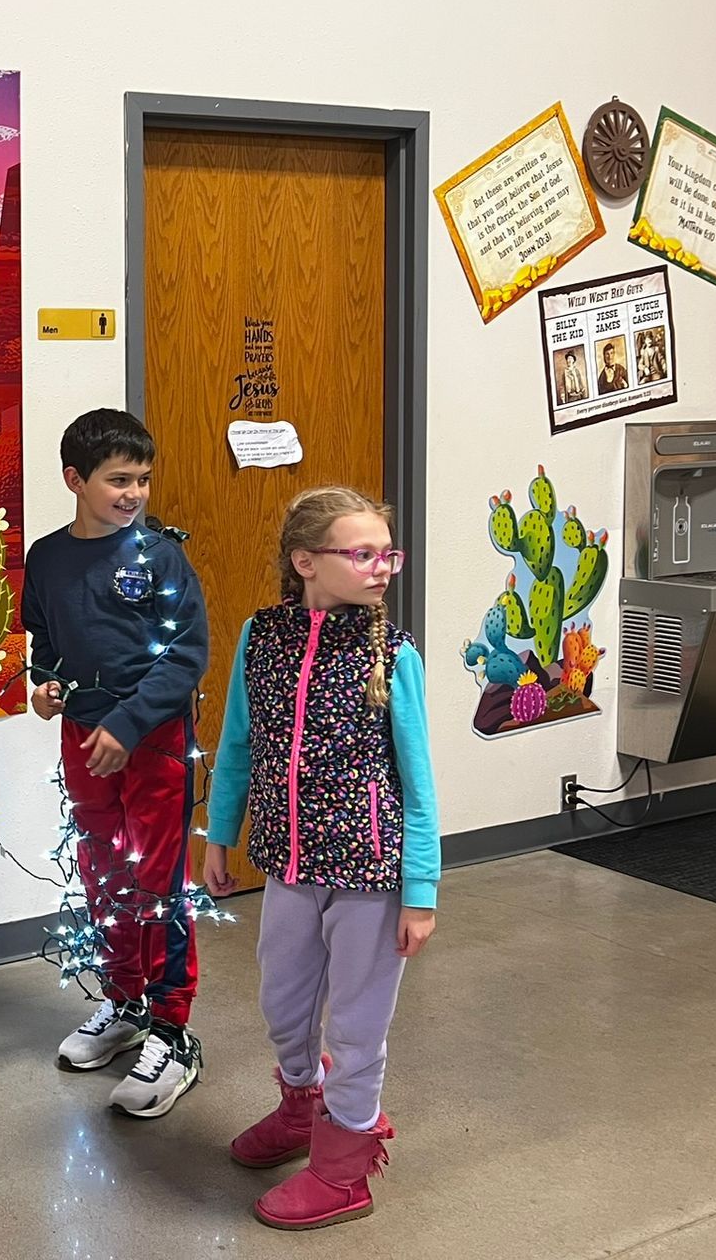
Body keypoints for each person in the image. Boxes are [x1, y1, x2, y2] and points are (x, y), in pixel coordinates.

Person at [203, 486, 440, 1231]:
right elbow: (239, 741)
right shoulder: (261, 637)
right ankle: (300, 1109)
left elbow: (419, 779)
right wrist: (220, 832)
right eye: (362, 554)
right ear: (306, 561)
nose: (381, 569)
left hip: (370, 872)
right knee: (283, 998)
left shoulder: (395, 655)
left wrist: (421, 889)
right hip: (287, 861)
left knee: (357, 1026)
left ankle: (343, 1171)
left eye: (385, 554)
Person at [22, 407, 210, 1119]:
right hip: (84, 737)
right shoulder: (47, 556)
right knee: (103, 871)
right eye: (118, 480)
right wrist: (43, 686)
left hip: (152, 739)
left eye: (142, 480)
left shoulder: (160, 557)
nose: (134, 493)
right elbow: (43, 636)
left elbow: (186, 655)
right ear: (75, 479)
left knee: (156, 880)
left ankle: (172, 1029)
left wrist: (130, 724)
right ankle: (124, 1001)